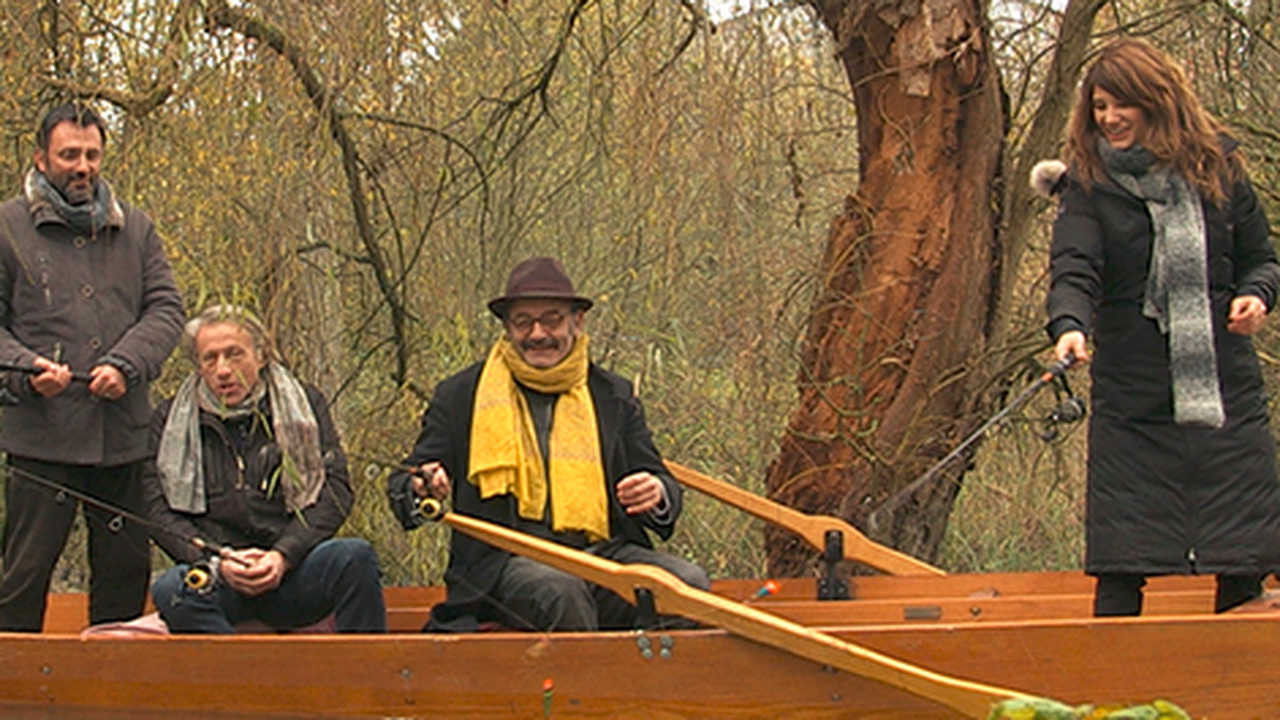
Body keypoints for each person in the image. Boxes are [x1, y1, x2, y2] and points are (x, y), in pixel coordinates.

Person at [1038, 37, 1280, 616]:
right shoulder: (1088, 185)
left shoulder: (1219, 168)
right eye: (1099, 106)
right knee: (1122, 565)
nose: (1110, 118)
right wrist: (1069, 326)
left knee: (1242, 556)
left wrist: (1256, 295)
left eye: (1122, 104)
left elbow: (1262, 258)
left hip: (1226, 395)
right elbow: (1074, 268)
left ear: (1157, 102)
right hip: (1133, 397)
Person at [388, 256, 709, 632]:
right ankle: (588, 693)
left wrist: (656, 492)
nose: (538, 333)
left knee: (687, 584)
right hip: (505, 562)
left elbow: (659, 479)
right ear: (507, 328)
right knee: (560, 591)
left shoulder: (613, 395)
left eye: (552, 319)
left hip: (603, 554)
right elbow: (404, 483)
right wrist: (421, 483)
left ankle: (657, 690)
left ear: (578, 321)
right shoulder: (461, 395)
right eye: (523, 322)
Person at [0, 102, 184, 631]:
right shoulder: (9, 227)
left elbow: (167, 309)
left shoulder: (137, 229)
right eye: (69, 155)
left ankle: (116, 695)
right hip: (39, 439)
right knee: (24, 574)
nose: (82, 167)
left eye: (92, 155)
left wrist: (126, 364)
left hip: (121, 435)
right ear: (41, 159)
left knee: (126, 573)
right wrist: (24, 369)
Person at [144, 305, 385, 633]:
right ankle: (243, 678)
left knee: (355, 557)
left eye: (234, 354)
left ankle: (369, 678)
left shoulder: (305, 405)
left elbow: (336, 490)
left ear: (261, 355)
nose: (223, 370)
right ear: (198, 367)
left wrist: (283, 555)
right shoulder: (169, 418)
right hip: (218, 572)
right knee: (172, 591)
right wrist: (217, 560)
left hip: (293, 567)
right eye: (210, 359)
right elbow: (156, 510)